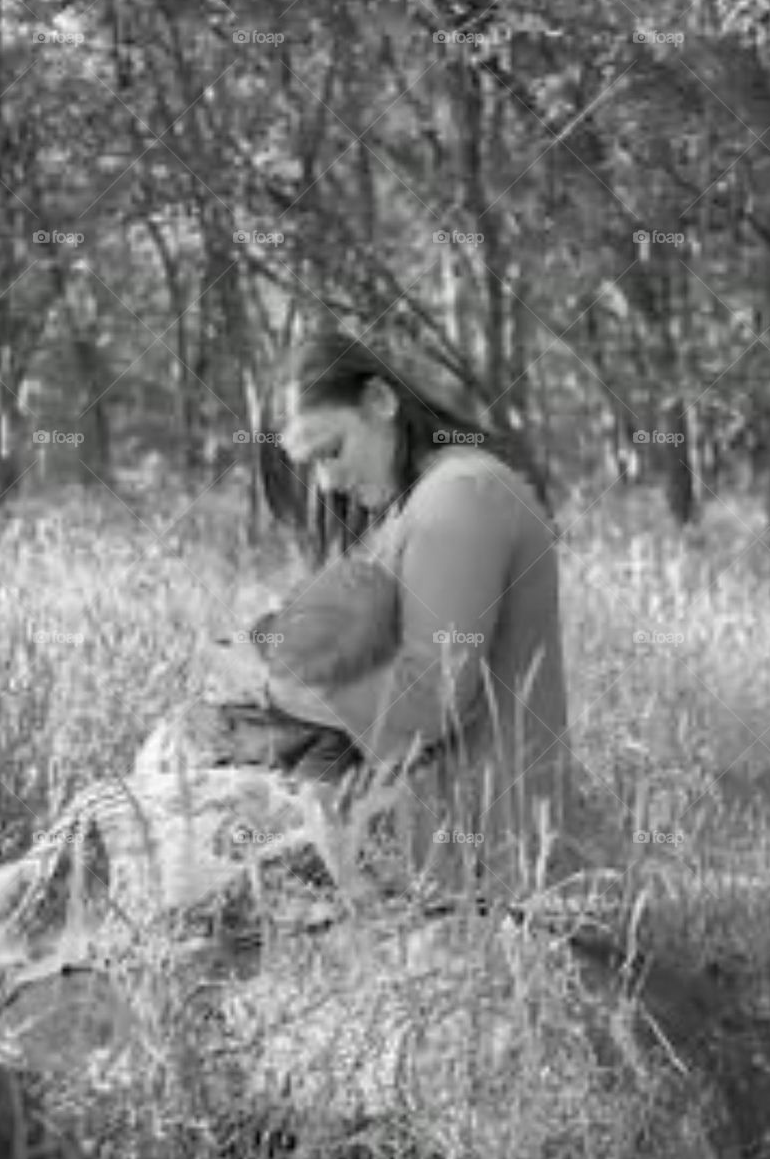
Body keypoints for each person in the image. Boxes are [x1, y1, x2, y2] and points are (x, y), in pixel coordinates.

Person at [232, 331, 570, 905]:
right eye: (309, 467)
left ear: (381, 402)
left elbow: (429, 696)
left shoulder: (461, 494)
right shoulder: (413, 504)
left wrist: (274, 684)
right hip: (414, 810)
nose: (328, 482)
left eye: (332, 451)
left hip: (475, 842)